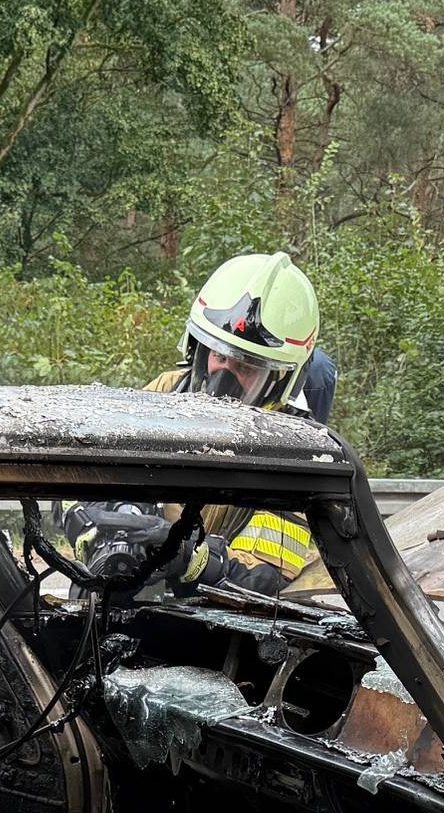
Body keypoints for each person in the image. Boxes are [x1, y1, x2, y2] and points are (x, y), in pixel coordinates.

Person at [64, 253, 336, 596]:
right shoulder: (166, 391)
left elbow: (264, 577)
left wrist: (188, 557)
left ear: (280, 379)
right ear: (199, 347)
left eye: (247, 366)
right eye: (220, 355)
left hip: (208, 623)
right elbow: (79, 472)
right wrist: (94, 525)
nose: (224, 376)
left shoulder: (293, 449)